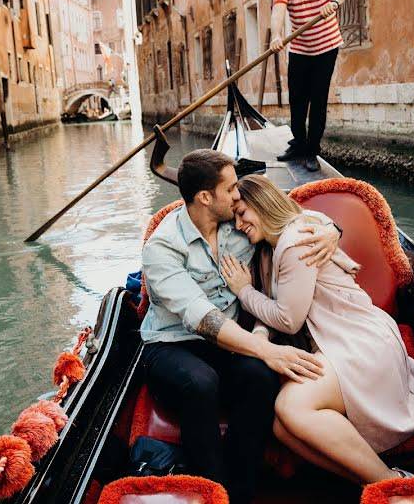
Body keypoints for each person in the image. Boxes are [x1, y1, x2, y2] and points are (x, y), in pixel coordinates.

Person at [140, 149, 342, 504]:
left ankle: (242, 491)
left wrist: (330, 229)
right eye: (231, 188)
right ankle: (213, 493)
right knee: (201, 382)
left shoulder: (236, 222)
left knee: (259, 379)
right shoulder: (162, 247)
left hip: (228, 345)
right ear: (205, 197)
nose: (238, 195)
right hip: (171, 346)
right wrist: (268, 349)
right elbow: (200, 316)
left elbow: (289, 214)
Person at [219, 174, 414, 485]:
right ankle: (376, 483)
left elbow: (287, 320)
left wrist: (244, 292)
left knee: (291, 406)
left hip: (360, 341)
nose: (239, 225)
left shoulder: (296, 240)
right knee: (280, 426)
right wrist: (259, 336)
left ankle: (396, 484)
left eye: (242, 213)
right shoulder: (271, 247)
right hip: (337, 342)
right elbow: (273, 306)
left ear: (263, 203)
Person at [270, 0, 349, 172]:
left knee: (318, 101)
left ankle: (312, 151)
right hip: (300, 49)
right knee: (297, 101)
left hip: (326, 48)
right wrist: (276, 35)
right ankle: (299, 144)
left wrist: (334, 2)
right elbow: (278, 12)